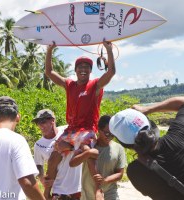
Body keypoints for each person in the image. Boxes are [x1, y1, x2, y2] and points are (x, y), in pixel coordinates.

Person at [44, 40, 116, 200]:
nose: (83, 69)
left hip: (88, 129)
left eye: (87, 67)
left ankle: (99, 190)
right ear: (75, 70)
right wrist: (49, 50)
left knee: (87, 154)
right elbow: (49, 72)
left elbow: (111, 72)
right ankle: (47, 191)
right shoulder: (69, 84)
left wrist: (109, 50)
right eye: (80, 67)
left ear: (90, 71)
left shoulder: (95, 85)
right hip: (71, 130)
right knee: (54, 157)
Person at [109, 96, 184, 200]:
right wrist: (147, 109)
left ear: (124, 144)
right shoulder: (181, 134)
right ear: (149, 123)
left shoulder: (135, 172)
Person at [70, 115, 126, 200]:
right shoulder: (88, 145)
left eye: (112, 134)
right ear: (99, 130)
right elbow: (72, 163)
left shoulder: (119, 148)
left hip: (110, 193)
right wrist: (88, 153)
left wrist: (105, 180)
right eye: (107, 133)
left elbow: (120, 174)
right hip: (88, 194)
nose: (109, 137)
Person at [32, 109, 82, 199]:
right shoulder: (39, 145)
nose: (40, 125)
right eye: (38, 123)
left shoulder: (66, 131)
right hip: (59, 189)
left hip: (79, 186)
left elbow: (82, 145)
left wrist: (70, 147)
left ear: (53, 120)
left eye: (43, 122)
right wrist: (42, 178)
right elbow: (38, 165)